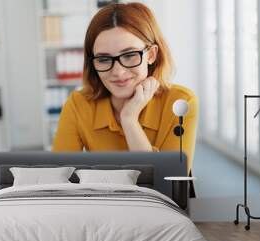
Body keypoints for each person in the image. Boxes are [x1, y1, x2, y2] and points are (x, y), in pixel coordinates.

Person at [52, 2, 198, 174]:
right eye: (104, 59)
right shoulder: (78, 104)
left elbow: (169, 182)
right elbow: (59, 176)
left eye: (129, 55)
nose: (118, 72)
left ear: (151, 55)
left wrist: (129, 119)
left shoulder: (180, 103)